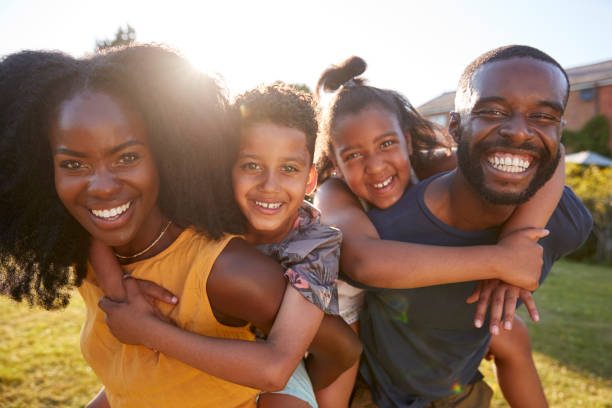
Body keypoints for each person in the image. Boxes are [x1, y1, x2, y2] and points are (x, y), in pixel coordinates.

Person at [0, 45, 358, 408]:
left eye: (127, 157)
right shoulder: (83, 240)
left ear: (167, 153)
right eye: (74, 165)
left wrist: (152, 333)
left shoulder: (231, 271)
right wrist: (117, 285)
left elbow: (332, 351)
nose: (102, 186)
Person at [315, 48, 592, 407]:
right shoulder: (336, 192)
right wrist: (501, 260)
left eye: (387, 144)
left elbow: (547, 157)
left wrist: (521, 234)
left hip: (449, 367)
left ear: (407, 142)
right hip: (345, 297)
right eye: (353, 155)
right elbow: (362, 261)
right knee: (343, 339)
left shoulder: (435, 163)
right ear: (335, 163)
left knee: (509, 335)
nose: (375, 165)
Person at [94, 83, 361, 408]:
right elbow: (96, 225)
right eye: (251, 165)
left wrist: (147, 331)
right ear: (227, 169)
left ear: (309, 180)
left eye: (288, 169)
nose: (269, 185)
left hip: (267, 361)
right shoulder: (204, 212)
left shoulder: (316, 246)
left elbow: (276, 368)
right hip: (199, 334)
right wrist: (120, 287)